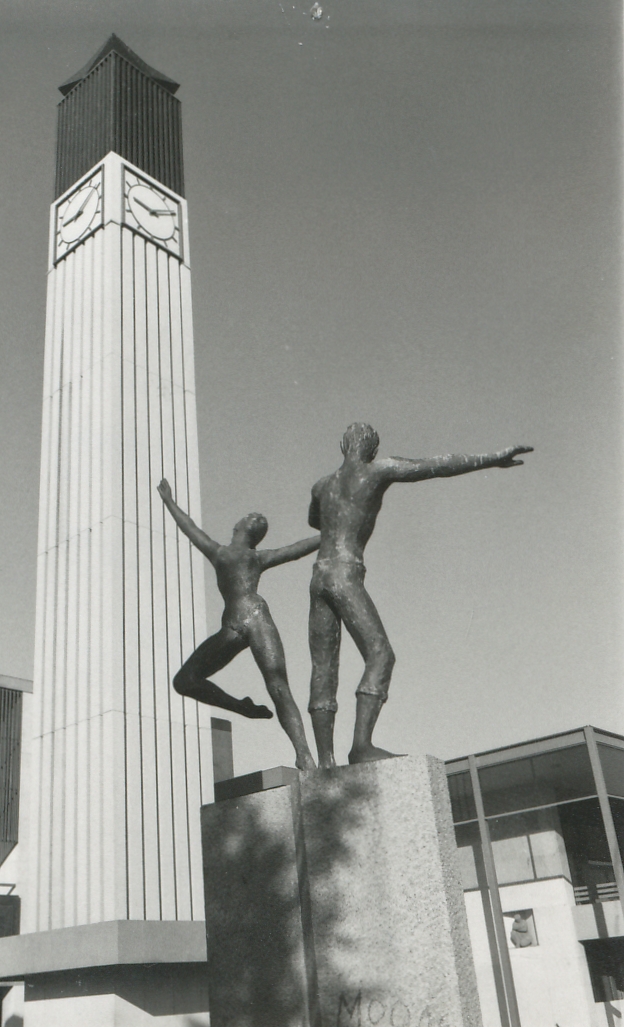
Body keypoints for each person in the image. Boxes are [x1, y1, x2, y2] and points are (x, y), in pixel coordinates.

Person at [307, 424, 533, 768]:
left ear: (342, 445)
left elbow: (315, 521)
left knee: (324, 668)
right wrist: (491, 459)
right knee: (381, 655)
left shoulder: (321, 485)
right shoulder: (379, 469)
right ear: (372, 448)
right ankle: (360, 746)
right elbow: (437, 465)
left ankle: (325, 761)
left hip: (318, 578)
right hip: (345, 572)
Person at [157, 479, 319, 770]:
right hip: (237, 624)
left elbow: (190, 528)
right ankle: (241, 707)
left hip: (251, 617)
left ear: (241, 528)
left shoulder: (225, 553)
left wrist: (169, 502)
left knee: (279, 686)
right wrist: (329, 535)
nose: (248, 516)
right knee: (185, 681)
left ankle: (304, 755)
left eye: (250, 517)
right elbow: (294, 549)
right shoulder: (250, 556)